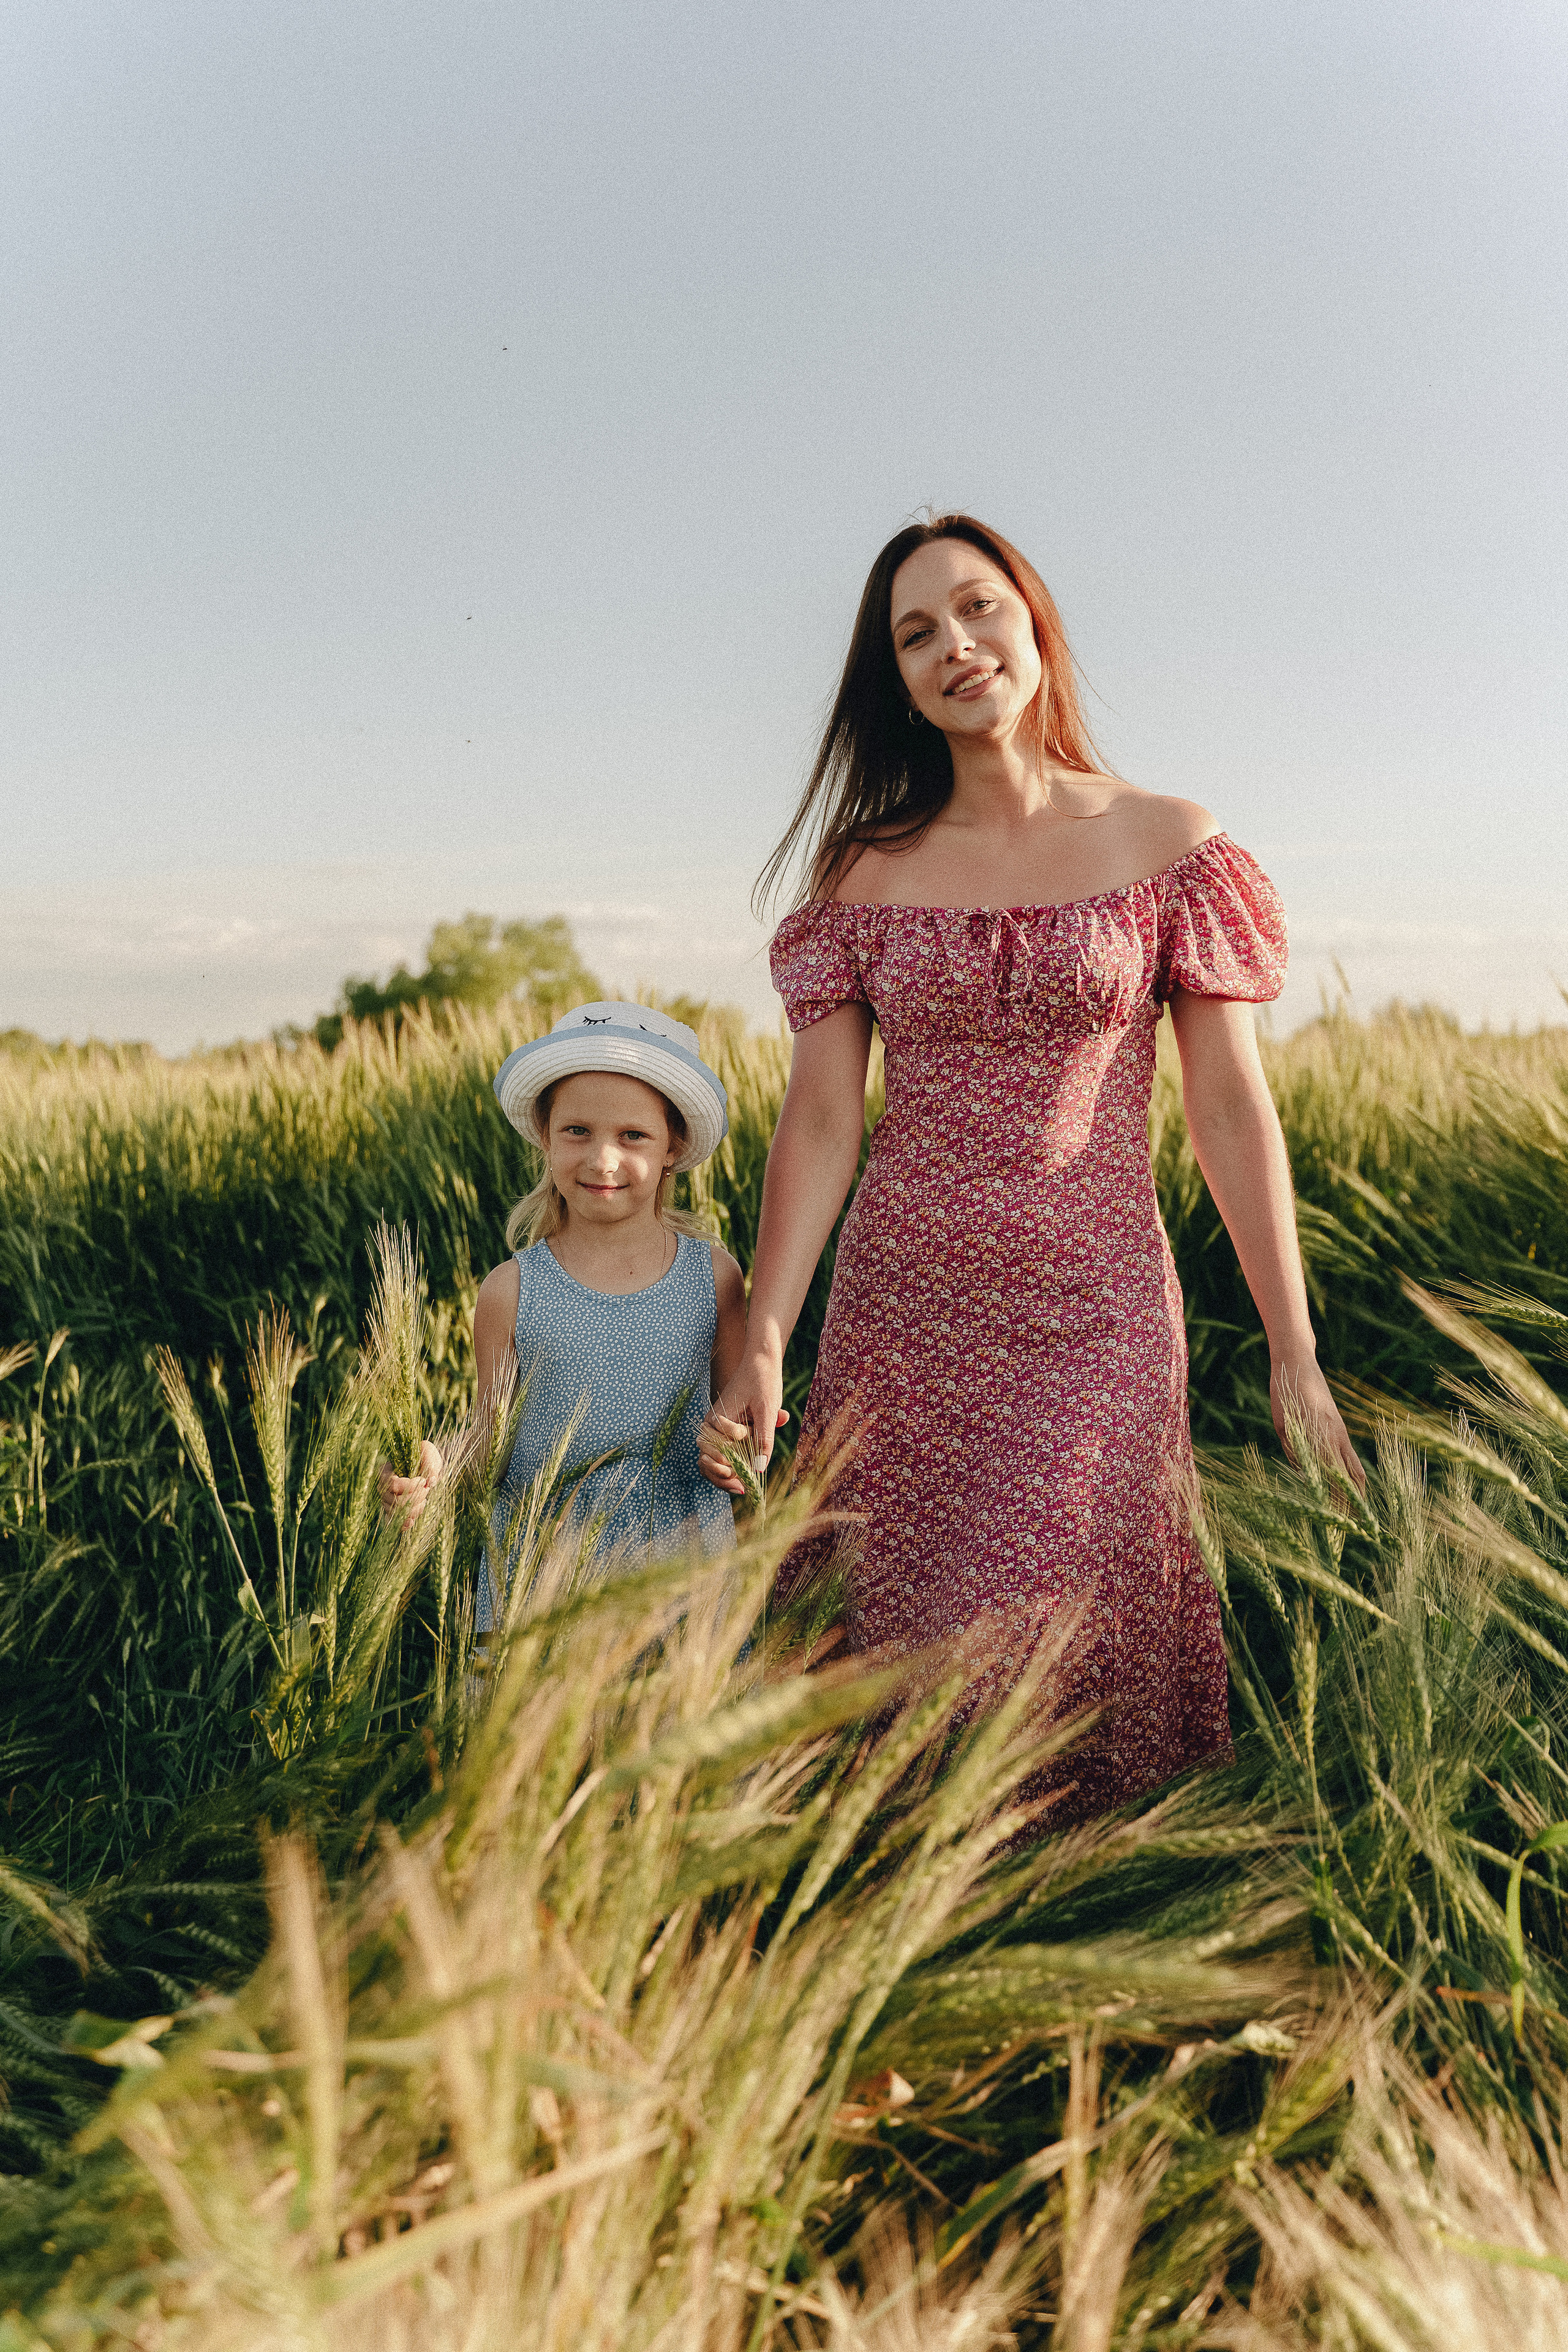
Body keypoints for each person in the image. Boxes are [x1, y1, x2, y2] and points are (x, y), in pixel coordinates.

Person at [697, 513, 1360, 1819]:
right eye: (915, 632)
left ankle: (1091, 1928)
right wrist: (768, 1333)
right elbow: (822, 1123)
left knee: (1056, 1629)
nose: (955, 644)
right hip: (905, 1318)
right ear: (893, 681)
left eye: (977, 607)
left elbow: (1228, 1108)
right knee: (898, 1648)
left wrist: (1292, 1348)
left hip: (1095, 1317)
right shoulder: (861, 874)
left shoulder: (1169, 844)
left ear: (1034, 620)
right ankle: (912, 1949)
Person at [387, 1001, 760, 1627]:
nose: (602, 1159)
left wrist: (738, 1451)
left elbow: (740, 1417)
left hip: (682, 1585)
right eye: (577, 1131)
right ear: (545, 1135)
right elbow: (491, 1436)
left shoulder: (715, 1278)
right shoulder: (510, 1291)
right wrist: (437, 1468)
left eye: (632, 1136)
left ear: (674, 1146)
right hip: (542, 1584)